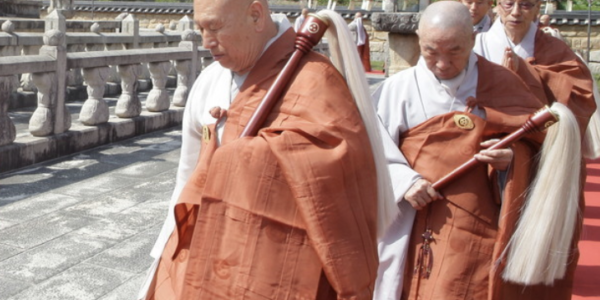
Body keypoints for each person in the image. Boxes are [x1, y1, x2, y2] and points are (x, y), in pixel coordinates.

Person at [137, 0, 389, 299]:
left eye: (215, 27)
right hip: (206, 257)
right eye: (200, 28)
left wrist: (242, 157)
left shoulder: (315, 80)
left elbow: (345, 176)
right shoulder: (209, 81)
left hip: (279, 271)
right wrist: (165, 248)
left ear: (256, 15)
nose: (206, 42)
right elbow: (188, 179)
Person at [370, 1, 582, 299]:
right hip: (410, 217)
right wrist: (405, 181)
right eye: (431, 51)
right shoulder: (397, 89)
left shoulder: (502, 83)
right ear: (420, 39)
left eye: (454, 51)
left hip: (475, 224)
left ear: (473, 39)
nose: (442, 63)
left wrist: (511, 160)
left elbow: (545, 151)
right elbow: (371, 152)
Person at [474, 2, 596, 297]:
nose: (516, 11)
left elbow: (581, 99)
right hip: (482, 156)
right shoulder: (474, 45)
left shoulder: (557, 51)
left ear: (538, 6)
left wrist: (526, 73)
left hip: (538, 163)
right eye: (508, 3)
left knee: (533, 244)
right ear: (496, 5)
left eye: (526, 4)